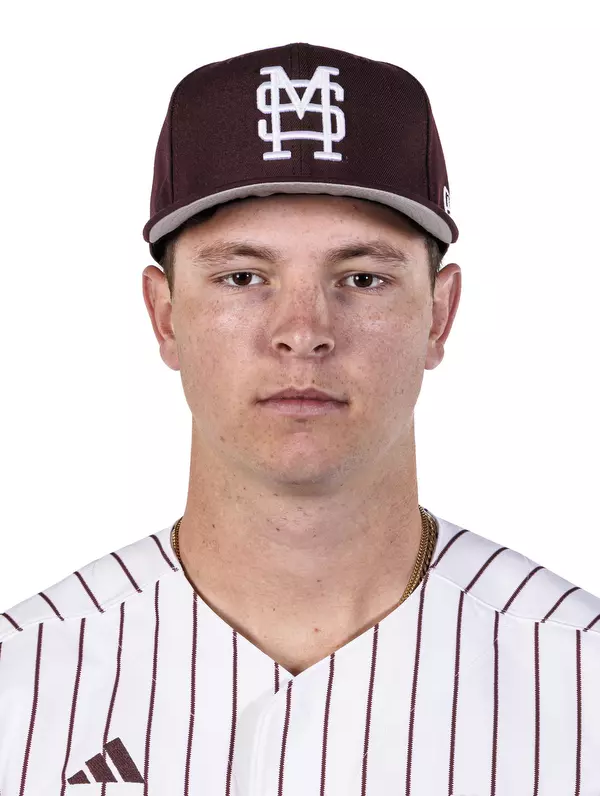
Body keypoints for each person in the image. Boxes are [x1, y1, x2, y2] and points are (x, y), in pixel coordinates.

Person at [1, 41, 598, 796]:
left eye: (363, 277)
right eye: (243, 276)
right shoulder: (20, 683)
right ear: (165, 316)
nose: (303, 329)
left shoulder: (582, 682)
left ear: (440, 316)